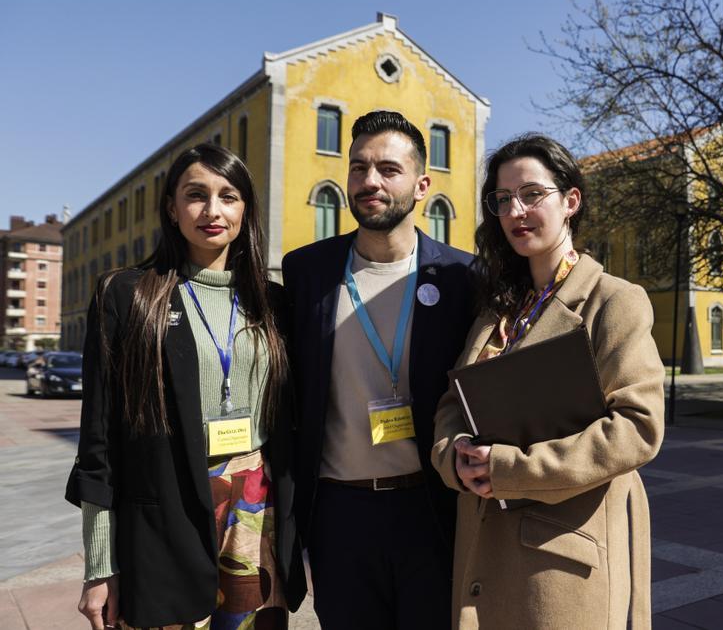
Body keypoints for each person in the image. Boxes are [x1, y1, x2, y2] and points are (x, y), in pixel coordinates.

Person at [66, 144, 306, 629]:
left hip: (255, 512)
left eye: (229, 196)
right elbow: (99, 440)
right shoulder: (127, 296)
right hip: (165, 515)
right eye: (196, 195)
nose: (213, 210)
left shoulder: (274, 303)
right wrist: (99, 566)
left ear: (245, 211)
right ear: (172, 209)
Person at [431, 134, 665, 629]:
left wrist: (508, 469)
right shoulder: (498, 308)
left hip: (563, 557)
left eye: (532, 194)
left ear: (570, 201)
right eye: (503, 199)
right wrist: (454, 457)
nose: (516, 210)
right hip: (483, 550)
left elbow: (637, 428)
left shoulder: (613, 300)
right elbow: (455, 402)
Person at [281, 110, 475, 628]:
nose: (370, 182)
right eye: (359, 167)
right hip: (339, 515)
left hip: (431, 509)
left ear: (422, 184)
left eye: (389, 169)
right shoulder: (307, 272)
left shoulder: (462, 278)